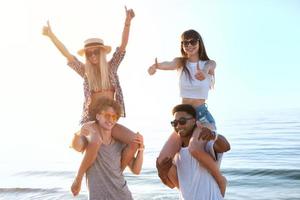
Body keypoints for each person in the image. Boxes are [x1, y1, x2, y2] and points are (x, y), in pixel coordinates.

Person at [42, 7, 138, 165]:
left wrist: (127, 23)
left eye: (96, 52)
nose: (93, 55)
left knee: (135, 142)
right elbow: (66, 53)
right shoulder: (85, 72)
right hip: (93, 119)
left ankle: (117, 172)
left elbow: (123, 46)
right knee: (85, 144)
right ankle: (80, 164)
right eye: (89, 53)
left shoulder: (111, 67)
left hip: (110, 118)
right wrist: (51, 35)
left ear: (102, 53)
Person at [148, 29, 226, 193]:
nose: (189, 45)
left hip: (202, 116)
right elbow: (168, 64)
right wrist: (156, 67)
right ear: (182, 45)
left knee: (194, 149)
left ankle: (220, 179)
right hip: (183, 118)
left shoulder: (208, 63)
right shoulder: (181, 63)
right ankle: (185, 190)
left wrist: (203, 73)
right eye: (185, 42)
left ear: (199, 43)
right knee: (162, 161)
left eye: (192, 41)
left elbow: (212, 67)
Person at [71, 97, 144, 199]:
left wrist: (141, 149)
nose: (110, 120)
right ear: (98, 116)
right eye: (107, 115)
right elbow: (77, 146)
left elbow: (136, 170)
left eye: (114, 117)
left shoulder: (120, 144)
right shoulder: (91, 143)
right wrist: (79, 133)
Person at [156, 104, 230, 200]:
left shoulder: (203, 144)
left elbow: (226, 147)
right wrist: (162, 174)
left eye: (182, 121)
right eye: (174, 123)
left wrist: (213, 135)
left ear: (194, 121)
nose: (178, 126)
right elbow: (171, 185)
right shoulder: (175, 155)